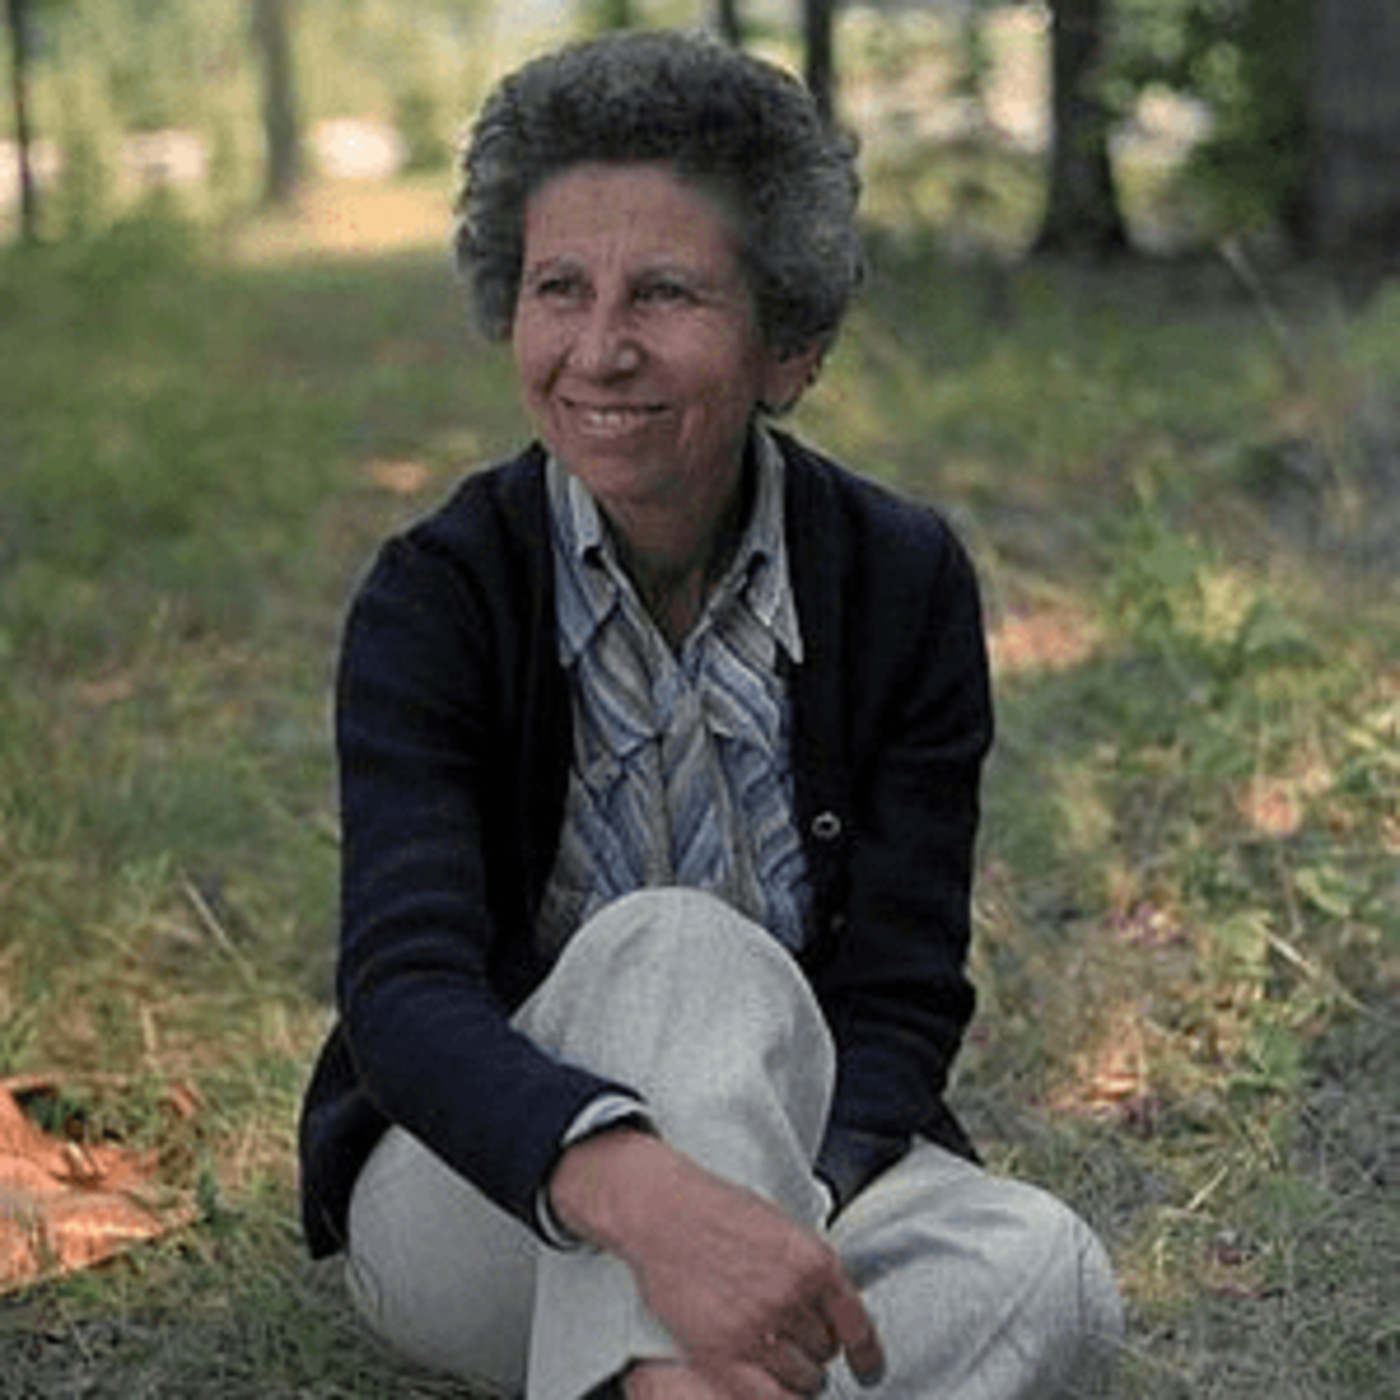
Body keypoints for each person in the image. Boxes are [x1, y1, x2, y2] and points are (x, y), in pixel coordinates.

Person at [298, 29, 1123, 1400]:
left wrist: (762, 1224)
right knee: (679, 942)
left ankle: (670, 1380)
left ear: (787, 345)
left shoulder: (902, 580)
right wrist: (642, 1192)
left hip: (792, 1177)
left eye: (666, 293)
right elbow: (403, 994)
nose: (600, 349)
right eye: (560, 288)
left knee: (1050, 1271)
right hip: (489, 1197)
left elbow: (901, 995)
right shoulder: (438, 594)